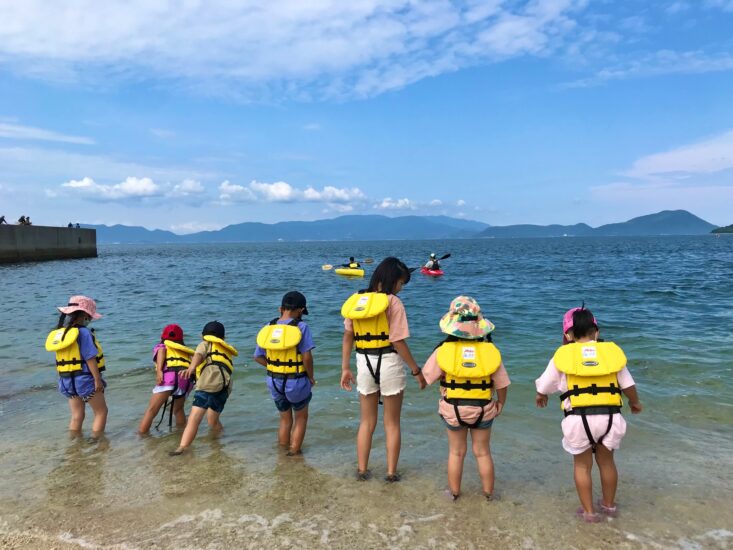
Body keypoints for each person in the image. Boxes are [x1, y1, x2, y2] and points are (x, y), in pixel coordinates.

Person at [535, 307, 643, 522]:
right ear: (597, 331)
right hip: (610, 418)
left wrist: (541, 396)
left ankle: (589, 513)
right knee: (607, 462)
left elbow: (545, 385)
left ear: (567, 335)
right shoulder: (609, 355)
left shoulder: (563, 355)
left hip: (578, 419)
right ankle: (609, 506)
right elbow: (628, 384)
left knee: (582, 465)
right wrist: (635, 402)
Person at [340, 256, 427, 482]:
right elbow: (398, 341)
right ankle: (390, 473)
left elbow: (348, 336)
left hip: (363, 363)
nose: (401, 289)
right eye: (400, 284)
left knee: (366, 421)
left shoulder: (356, 300)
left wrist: (344, 368)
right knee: (392, 423)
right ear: (392, 281)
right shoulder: (394, 302)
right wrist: (416, 370)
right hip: (389, 362)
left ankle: (362, 470)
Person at [421, 296, 510, 501]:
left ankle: (454, 493)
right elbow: (502, 384)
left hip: (453, 409)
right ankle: (488, 495)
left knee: (456, 453)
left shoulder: (443, 351)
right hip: (483, 408)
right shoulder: (490, 351)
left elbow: (427, 378)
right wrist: (501, 403)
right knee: (482, 452)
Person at [254, 291, 315, 455]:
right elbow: (307, 357)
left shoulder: (268, 327)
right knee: (301, 418)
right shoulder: (301, 327)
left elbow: (257, 356)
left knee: (285, 419)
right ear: (301, 310)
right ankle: (294, 452)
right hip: (296, 381)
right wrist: (310, 376)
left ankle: (282, 452)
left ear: (281, 308)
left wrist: (273, 367)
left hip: (274, 381)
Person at [170, 321, 238, 455]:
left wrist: (191, 368)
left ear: (202, 336)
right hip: (225, 387)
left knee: (194, 418)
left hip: (208, 383)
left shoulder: (205, 344)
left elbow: (198, 355)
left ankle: (182, 447)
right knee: (212, 420)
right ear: (223, 339)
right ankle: (220, 441)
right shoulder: (226, 351)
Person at [44, 295, 108, 437]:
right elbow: (90, 357)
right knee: (101, 412)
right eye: (90, 317)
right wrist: (97, 379)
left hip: (66, 381)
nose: (90, 320)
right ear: (84, 315)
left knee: (77, 415)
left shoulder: (60, 333)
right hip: (85, 380)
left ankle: (74, 445)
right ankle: (98, 444)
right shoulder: (84, 332)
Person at [138, 324, 195, 434]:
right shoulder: (186, 351)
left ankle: (141, 435)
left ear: (162, 336)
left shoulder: (162, 346)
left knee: (151, 410)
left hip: (169, 379)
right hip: (185, 381)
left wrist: (159, 370)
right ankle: (181, 433)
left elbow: (162, 351)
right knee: (178, 409)